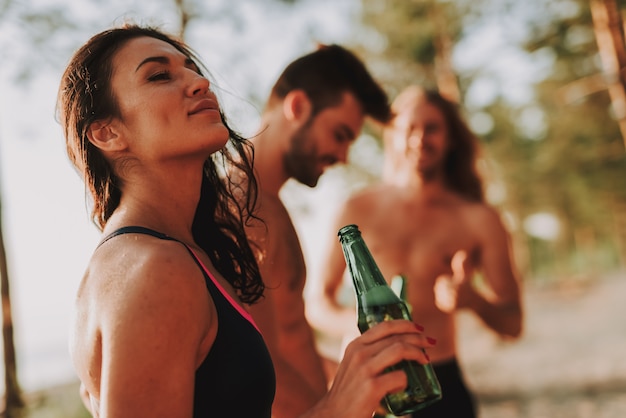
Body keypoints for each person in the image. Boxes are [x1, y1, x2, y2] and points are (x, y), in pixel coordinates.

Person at [57, 25, 436, 418]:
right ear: (107, 132)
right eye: (158, 75)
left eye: (191, 69)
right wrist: (338, 407)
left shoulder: (177, 251)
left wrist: (357, 382)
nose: (199, 81)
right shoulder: (155, 268)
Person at [307, 85, 524, 418]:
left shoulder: (479, 219)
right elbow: (317, 303)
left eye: (432, 128)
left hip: (442, 389)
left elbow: (513, 323)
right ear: (392, 136)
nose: (420, 138)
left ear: (450, 138)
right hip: (370, 390)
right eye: (409, 128)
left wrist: (472, 299)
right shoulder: (357, 209)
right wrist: (361, 325)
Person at [241, 44, 395, 418]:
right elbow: (256, 371)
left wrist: (365, 383)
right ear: (297, 107)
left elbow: (291, 346)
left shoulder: (267, 205)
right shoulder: (244, 212)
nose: (343, 156)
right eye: (339, 134)